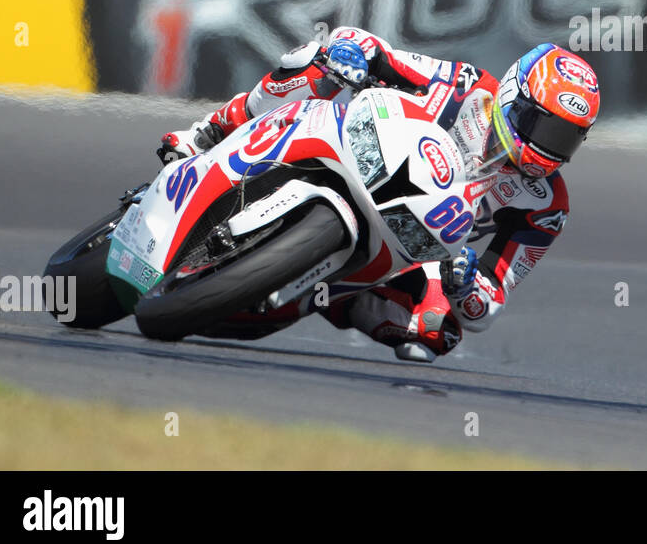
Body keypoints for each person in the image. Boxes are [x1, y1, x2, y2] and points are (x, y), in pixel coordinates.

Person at [157, 26, 600, 362]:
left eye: (565, 139)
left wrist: (466, 283)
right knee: (316, 59)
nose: (548, 149)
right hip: (359, 150)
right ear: (513, 98)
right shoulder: (468, 87)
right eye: (545, 128)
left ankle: (324, 293)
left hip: (412, 246)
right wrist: (354, 54)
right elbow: (380, 52)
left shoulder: (545, 205)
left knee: (436, 332)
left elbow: (487, 305)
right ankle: (211, 133)